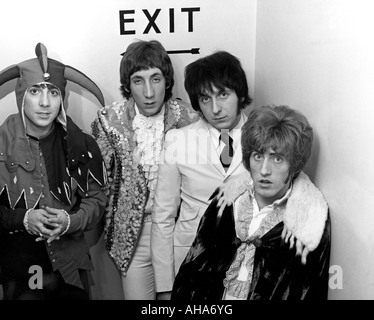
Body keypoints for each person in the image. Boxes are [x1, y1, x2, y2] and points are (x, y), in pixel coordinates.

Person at [172, 105, 331, 300]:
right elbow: (193, 270)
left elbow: (309, 291)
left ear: (295, 164)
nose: (264, 170)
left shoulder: (308, 221)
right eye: (257, 156)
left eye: (277, 159)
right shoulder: (227, 202)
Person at [91, 39, 199, 300]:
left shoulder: (189, 118)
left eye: (156, 79)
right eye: (138, 81)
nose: (149, 92)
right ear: (128, 85)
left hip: (179, 231)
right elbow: (99, 182)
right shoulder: (108, 120)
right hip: (132, 237)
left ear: (167, 81)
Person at [0, 43, 107, 300]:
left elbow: (97, 201)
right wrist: (23, 218)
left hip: (71, 265)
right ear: (21, 94)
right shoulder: (1, 143)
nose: (45, 103)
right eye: (35, 91)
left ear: (62, 98)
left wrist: (71, 221)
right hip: (19, 266)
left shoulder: (82, 143)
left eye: (53, 93)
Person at [151, 50, 253, 300]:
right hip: (190, 262)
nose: (216, 108)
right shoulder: (177, 141)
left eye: (223, 94)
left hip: (244, 267)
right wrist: (165, 286)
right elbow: (163, 216)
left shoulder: (264, 137)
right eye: (205, 99)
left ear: (239, 93)